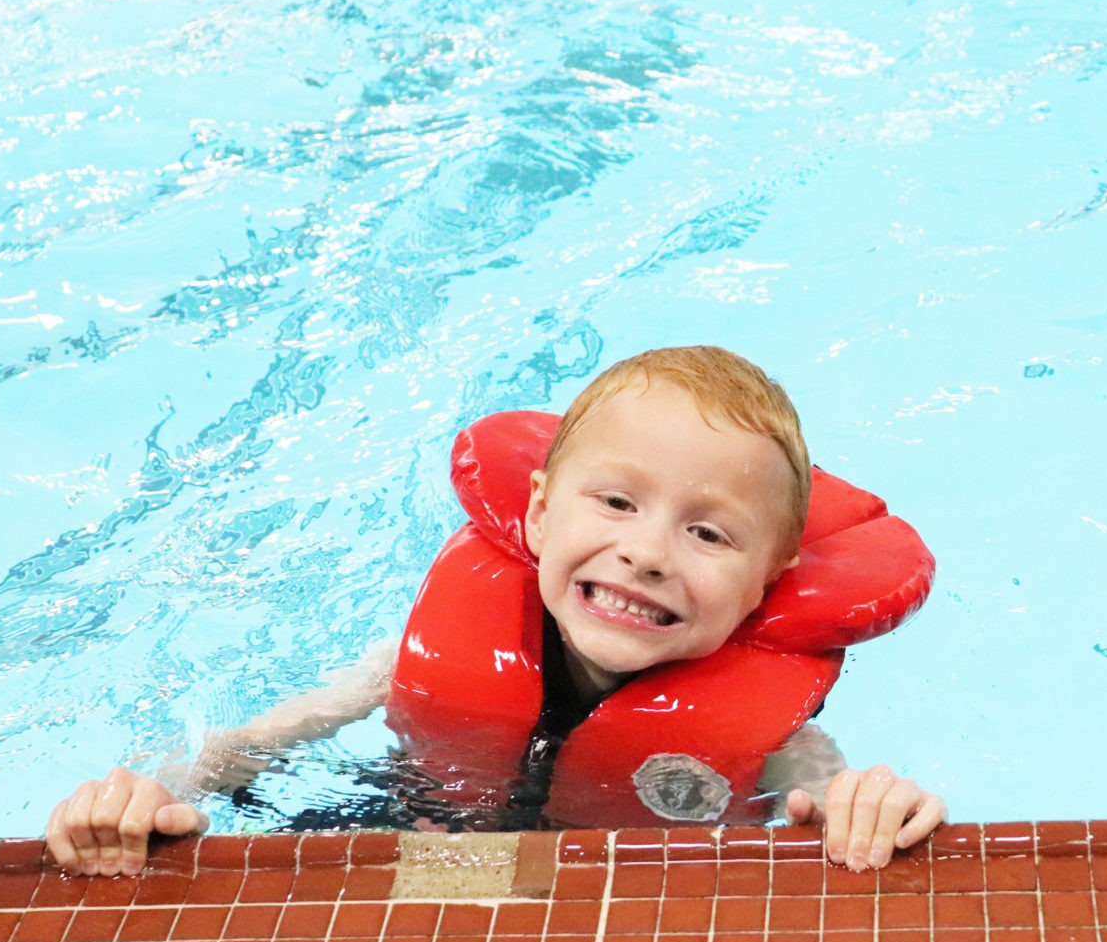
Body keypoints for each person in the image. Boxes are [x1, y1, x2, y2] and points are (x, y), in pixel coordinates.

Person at [49, 347, 946, 874]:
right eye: (617, 505)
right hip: (412, 835)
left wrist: (872, 807)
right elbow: (243, 748)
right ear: (540, 512)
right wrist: (142, 798)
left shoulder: (780, 734)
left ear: (768, 582)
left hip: (632, 895)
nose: (646, 552)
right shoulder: (419, 652)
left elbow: (834, 802)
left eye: (708, 535)